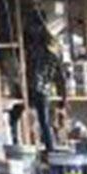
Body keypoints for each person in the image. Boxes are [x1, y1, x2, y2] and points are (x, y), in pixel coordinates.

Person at [29, 12, 71, 150]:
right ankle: (49, 147)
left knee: (42, 120)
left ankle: (49, 147)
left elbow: (59, 77)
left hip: (35, 88)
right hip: (44, 89)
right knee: (44, 121)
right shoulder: (52, 55)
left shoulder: (35, 52)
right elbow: (61, 78)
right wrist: (64, 97)